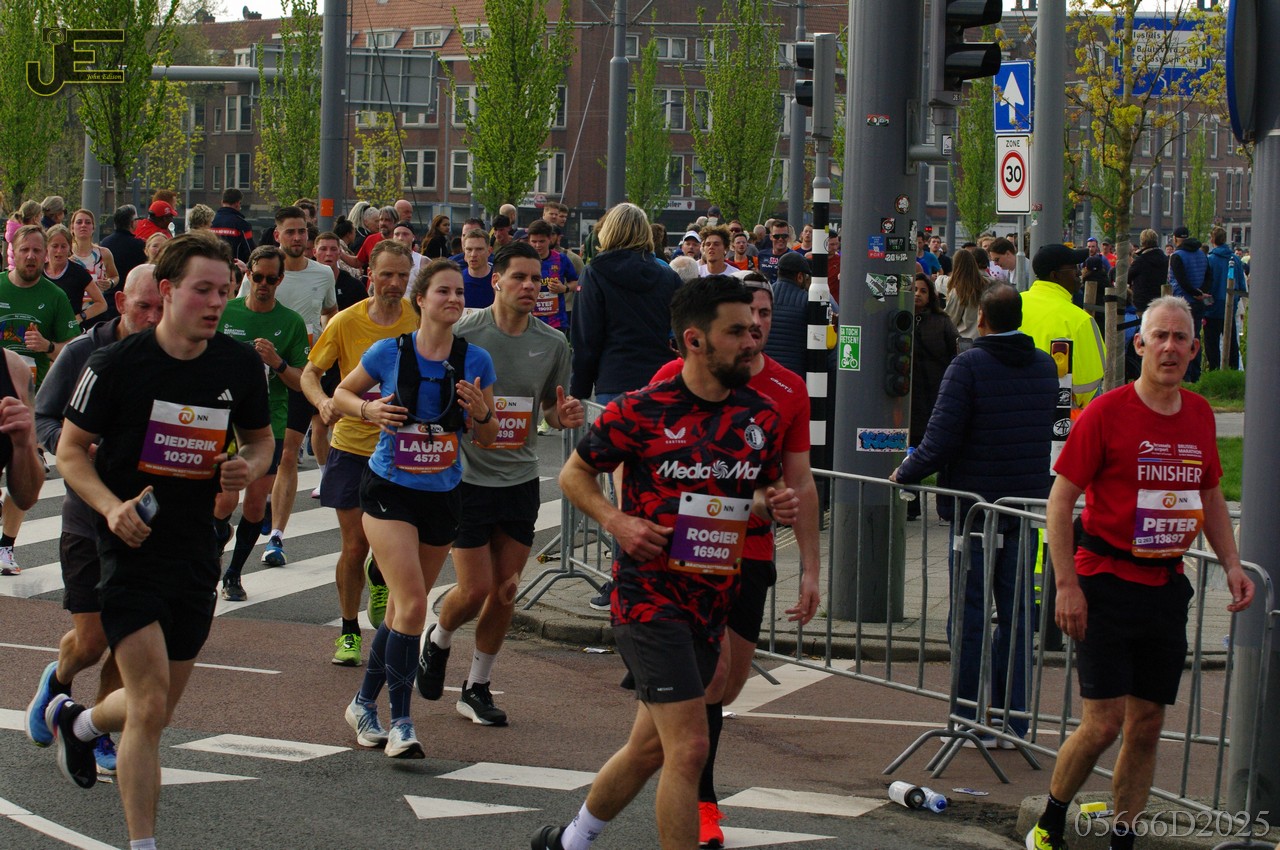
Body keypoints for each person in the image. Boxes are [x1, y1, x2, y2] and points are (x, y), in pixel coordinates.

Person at [533, 275, 799, 850]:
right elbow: (574, 475)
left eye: (754, 329)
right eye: (736, 332)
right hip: (649, 600)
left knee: (649, 748)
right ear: (694, 341)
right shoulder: (640, 410)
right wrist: (617, 521)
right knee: (690, 747)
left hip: (713, 600)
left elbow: (754, 491)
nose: (751, 341)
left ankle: (570, 842)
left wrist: (770, 503)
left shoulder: (760, 416)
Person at [45, 234, 272, 850]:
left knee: (160, 708)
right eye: (204, 290)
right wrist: (111, 507)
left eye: (224, 291)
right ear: (167, 291)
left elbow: (260, 440)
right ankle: (142, 843)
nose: (217, 302)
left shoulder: (237, 365)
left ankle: (80, 724)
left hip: (197, 547)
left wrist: (247, 466)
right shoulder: (113, 365)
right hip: (129, 546)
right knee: (147, 706)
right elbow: (70, 451)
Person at [1024, 296, 1255, 850]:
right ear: (1140, 344)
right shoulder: (1107, 412)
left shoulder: (1200, 414)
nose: (1170, 348)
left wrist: (1232, 563)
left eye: (1181, 339)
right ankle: (1050, 822)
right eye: (1160, 337)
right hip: (1104, 580)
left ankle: (1123, 839)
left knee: (1147, 723)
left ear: (1194, 350)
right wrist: (1066, 585)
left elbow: (1210, 494)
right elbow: (1060, 501)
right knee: (1103, 723)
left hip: (1165, 586)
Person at [649, 270, 821, 847]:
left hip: (753, 550)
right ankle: (701, 800)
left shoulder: (788, 390)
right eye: (746, 320)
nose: (756, 329)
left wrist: (811, 571)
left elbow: (801, 482)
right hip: (690, 546)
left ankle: (664, 746)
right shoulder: (675, 375)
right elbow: (631, 455)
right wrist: (634, 526)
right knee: (712, 675)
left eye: (764, 316)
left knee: (727, 685)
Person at [335, 257, 496, 757]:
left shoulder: (476, 361)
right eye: (443, 291)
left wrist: (482, 414)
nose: (454, 299)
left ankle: (363, 702)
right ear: (420, 299)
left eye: (459, 292)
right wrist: (368, 409)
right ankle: (401, 722)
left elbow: (489, 438)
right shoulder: (390, 351)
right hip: (389, 488)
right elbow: (341, 394)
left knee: (402, 611)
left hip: (443, 493)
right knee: (412, 606)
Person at [417, 242, 583, 726]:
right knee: (474, 589)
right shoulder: (464, 333)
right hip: (467, 477)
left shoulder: (553, 343)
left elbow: (550, 409)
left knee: (506, 589)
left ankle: (477, 686)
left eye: (536, 278)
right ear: (497, 281)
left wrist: (564, 414)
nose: (530, 286)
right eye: (519, 277)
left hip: (520, 477)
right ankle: (438, 637)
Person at [892, 283, 1056, 748]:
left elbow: (940, 437)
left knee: (969, 616)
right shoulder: (1044, 365)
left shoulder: (967, 366)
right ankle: (1013, 720)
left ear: (981, 318)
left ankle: (966, 717)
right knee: (1017, 615)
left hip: (976, 511)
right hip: (1023, 507)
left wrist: (906, 473)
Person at [27, 265, 162, 775]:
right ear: (121, 301)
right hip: (87, 517)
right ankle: (58, 682)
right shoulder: (85, 352)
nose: (153, 318)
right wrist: (79, 447)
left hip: (147, 523)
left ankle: (96, 728)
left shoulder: (176, 359)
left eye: (162, 308)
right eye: (143, 307)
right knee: (92, 641)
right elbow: (44, 416)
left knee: (130, 639)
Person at [301, 240, 420, 665]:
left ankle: (379, 573)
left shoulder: (417, 318)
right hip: (352, 444)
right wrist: (322, 402)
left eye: (402, 276)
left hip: (403, 448)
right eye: (386, 275)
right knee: (354, 545)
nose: (394, 284)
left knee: (394, 545)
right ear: (370, 275)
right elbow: (311, 372)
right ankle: (349, 632)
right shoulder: (346, 321)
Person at [235, 206, 337, 568]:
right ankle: (262, 498)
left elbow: (330, 312)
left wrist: (323, 340)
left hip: (301, 370)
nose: (297, 238)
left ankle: (277, 535)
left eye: (302, 232)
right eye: (290, 232)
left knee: (289, 454)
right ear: (277, 235)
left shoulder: (323, 273)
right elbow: (245, 309)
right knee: (265, 455)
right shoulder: (262, 271)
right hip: (261, 374)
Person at [216, 246, 310, 601]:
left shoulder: (291, 322)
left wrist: (277, 362)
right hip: (223, 418)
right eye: (258, 277)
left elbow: (302, 382)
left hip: (268, 422)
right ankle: (213, 549)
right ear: (248, 275)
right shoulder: (226, 312)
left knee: (255, 504)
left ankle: (234, 574)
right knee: (223, 501)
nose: (264, 284)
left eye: (272, 279)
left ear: (280, 280)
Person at [0, 225, 81, 574]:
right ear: (13, 253)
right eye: (25, 250)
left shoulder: (55, 296)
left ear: (45, 255)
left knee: (25, 470)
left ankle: (6, 546)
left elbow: (72, 349)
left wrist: (47, 346)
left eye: (37, 250)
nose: (31, 256)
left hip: (32, 398)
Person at [569, 202, 680, 405]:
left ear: (608, 231)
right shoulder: (668, 275)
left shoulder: (595, 273)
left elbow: (586, 338)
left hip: (615, 380)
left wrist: (578, 391)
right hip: (662, 380)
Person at [1021, 244, 1105, 413]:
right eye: (1074, 268)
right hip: (1060, 418)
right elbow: (1089, 385)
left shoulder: (1014, 304)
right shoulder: (1080, 320)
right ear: (1055, 275)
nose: (1079, 273)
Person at [908, 274, 958, 519]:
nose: (917, 294)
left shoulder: (942, 322)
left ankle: (946, 507)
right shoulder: (900, 318)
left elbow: (955, 353)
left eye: (923, 290)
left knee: (941, 451)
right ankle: (910, 505)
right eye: (914, 290)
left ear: (931, 295)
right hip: (909, 397)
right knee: (910, 451)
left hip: (937, 394)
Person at [1165, 227, 1210, 384]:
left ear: (1175, 238)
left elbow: (1181, 280)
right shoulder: (1202, 254)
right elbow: (1208, 276)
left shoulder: (1177, 256)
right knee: (1195, 337)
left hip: (1182, 302)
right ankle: (1196, 374)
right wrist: (1201, 292)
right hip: (1199, 303)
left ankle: (1185, 375)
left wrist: (1194, 292)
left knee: (1181, 339)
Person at [45, 225, 108, 328]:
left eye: (63, 246)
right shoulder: (39, 272)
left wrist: (80, 317)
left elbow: (102, 304)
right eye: (55, 246)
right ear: (46, 247)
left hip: (69, 331)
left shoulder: (78, 272)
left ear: (70, 247)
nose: (59, 251)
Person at [526, 219, 578, 336]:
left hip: (556, 322)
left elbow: (577, 283)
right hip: (530, 321)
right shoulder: (523, 260)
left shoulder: (561, 259)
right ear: (529, 240)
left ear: (550, 239)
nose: (538, 245)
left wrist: (564, 288)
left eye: (542, 241)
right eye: (534, 241)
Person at [69, 209, 120, 323]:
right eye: (79, 222)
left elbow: (115, 276)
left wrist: (110, 282)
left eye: (88, 222)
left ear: (93, 228)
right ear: (72, 228)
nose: (83, 225)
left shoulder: (103, 253)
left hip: (97, 312)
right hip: (72, 312)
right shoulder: (65, 254)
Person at [945, 248, 989, 343]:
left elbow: (950, 320)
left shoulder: (958, 291)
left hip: (965, 340)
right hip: (986, 338)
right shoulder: (989, 284)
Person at [101, 206, 147, 290]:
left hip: (109, 292)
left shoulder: (105, 243)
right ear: (132, 223)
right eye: (137, 219)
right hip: (130, 291)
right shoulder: (139, 245)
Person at [211, 188, 255, 267]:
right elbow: (249, 250)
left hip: (213, 267)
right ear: (237, 203)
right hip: (234, 269)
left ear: (222, 202)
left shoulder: (211, 221)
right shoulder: (243, 224)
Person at [460, 228, 495, 309]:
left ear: (489, 251)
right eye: (469, 249)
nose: (473, 254)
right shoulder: (457, 280)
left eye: (479, 249)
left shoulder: (499, 281)